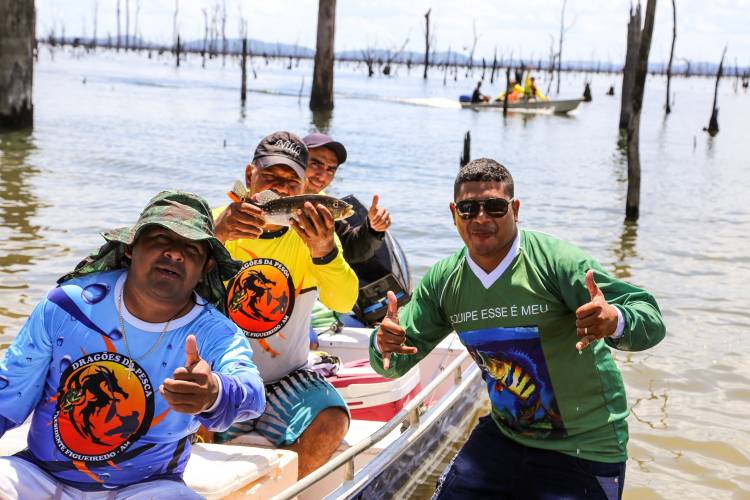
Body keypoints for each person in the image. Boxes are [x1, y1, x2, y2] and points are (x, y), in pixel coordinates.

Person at [370, 158, 666, 499]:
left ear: (515, 209)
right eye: (469, 208)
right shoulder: (444, 281)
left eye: (494, 207)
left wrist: (615, 320)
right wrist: (384, 346)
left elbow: (650, 318)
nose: (481, 218)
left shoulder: (557, 262)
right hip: (505, 435)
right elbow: (392, 362)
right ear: (454, 213)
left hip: (585, 446)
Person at [0, 191, 265, 498]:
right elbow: (8, 395)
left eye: (191, 248)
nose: (175, 254)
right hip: (40, 477)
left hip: (148, 487)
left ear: (206, 266)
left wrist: (214, 393)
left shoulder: (215, 332)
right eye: (161, 239)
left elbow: (253, 394)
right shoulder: (67, 305)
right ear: (130, 248)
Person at [212, 131, 358, 478]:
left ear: (306, 188)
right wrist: (216, 236)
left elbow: (344, 299)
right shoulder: (216, 221)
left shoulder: (313, 234)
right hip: (220, 375)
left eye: (291, 181)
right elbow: (170, 295)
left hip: (286, 377)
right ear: (250, 176)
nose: (279, 188)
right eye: (269, 177)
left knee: (332, 420)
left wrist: (324, 251)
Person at [302, 132, 392, 265]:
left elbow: (351, 250)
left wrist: (373, 228)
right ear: (297, 161)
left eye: (330, 170)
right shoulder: (272, 192)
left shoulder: (324, 203)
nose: (322, 176)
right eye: (316, 164)